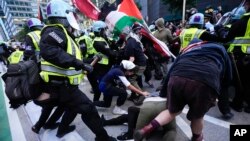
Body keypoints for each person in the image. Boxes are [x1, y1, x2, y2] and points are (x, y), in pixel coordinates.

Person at [39, 0, 116, 140]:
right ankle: (102, 138)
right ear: (64, 14)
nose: (74, 18)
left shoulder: (61, 32)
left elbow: (70, 56)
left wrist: (86, 63)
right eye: (72, 15)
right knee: (88, 109)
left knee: (72, 107)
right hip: (61, 86)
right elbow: (50, 51)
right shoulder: (54, 31)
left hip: (62, 85)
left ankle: (61, 130)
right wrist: (79, 64)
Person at [134, 39, 233, 141]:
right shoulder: (219, 47)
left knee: (172, 111)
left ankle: (146, 129)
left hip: (177, 77)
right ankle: (196, 138)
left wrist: (163, 92)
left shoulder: (187, 50)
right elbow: (228, 75)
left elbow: (170, 71)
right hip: (205, 80)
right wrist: (221, 88)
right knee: (197, 116)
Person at [216, 0, 250, 113]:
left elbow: (225, 38)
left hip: (241, 56)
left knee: (240, 82)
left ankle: (238, 104)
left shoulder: (241, 22)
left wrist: (220, 29)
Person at [101, 97, 177, 141]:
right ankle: (106, 122)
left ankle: (130, 134)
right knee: (128, 114)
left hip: (152, 123)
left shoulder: (168, 106)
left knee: (131, 111)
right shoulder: (169, 103)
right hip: (153, 119)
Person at [88, 20, 118, 101]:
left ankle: (106, 99)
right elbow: (111, 53)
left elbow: (112, 49)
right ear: (99, 30)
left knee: (106, 83)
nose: (105, 31)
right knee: (104, 84)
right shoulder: (98, 42)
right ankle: (104, 101)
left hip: (105, 66)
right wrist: (117, 52)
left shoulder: (102, 39)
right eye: (103, 30)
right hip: (101, 67)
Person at [122, 24, 147, 106]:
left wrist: (127, 69)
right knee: (131, 78)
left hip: (140, 64)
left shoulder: (129, 42)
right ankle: (133, 95)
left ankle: (141, 95)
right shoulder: (133, 39)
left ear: (125, 34)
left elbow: (131, 58)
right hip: (141, 62)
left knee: (131, 80)